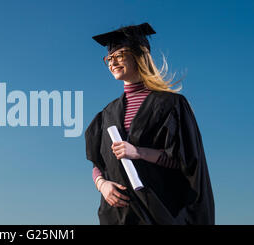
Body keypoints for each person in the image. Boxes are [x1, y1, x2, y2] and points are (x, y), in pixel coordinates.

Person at [85, 23, 215, 225]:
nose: (113, 62)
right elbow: (98, 163)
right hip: (119, 215)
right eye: (109, 58)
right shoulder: (106, 115)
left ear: (139, 55)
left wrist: (138, 152)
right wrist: (102, 185)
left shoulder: (170, 105)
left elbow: (185, 162)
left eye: (120, 55)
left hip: (160, 209)